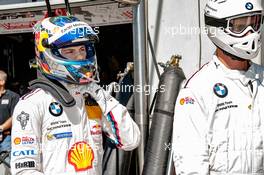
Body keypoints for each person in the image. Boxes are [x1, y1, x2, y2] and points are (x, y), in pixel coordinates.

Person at [10, 16, 140, 175]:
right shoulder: (32, 104)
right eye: (70, 51)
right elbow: (24, 170)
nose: (80, 57)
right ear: (49, 54)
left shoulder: (93, 96)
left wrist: (98, 93)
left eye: (82, 49)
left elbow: (131, 140)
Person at [172, 0, 264, 174]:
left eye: (255, 22)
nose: (250, 32)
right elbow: (192, 164)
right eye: (240, 26)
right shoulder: (197, 90)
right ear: (217, 28)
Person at [0, 70, 19, 168]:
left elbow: (15, 116)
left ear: (2, 82)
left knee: (7, 166)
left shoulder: (13, 97)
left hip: (6, 138)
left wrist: (1, 128)